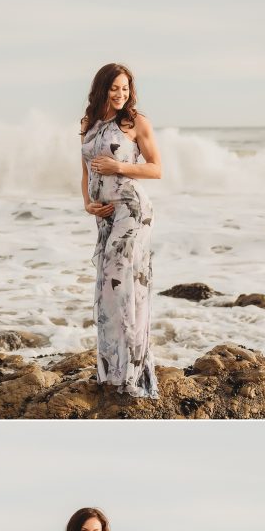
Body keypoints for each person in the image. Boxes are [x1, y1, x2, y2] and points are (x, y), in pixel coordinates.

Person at [80, 63, 163, 399]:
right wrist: (88, 203)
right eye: (114, 88)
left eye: (125, 88)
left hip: (132, 211)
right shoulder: (88, 124)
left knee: (124, 288)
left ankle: (132, 371)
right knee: (105, 289)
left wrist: (119, 166)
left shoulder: (135, 123)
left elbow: (156, 169)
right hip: (105, 216)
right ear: (102, 88)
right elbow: (84, 171)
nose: (120, 94)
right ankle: (112, 371)